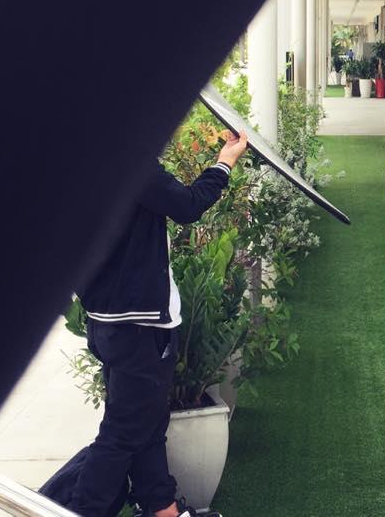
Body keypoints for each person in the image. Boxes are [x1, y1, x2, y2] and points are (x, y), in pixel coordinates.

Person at [69, 129, 250, 517]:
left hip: (109, 321)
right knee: (123, 433)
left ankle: (162, 507)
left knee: (147, 422)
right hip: (139, 326)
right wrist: (225, 162)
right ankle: (83, 510)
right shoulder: (126, 159)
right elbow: (187, 205)